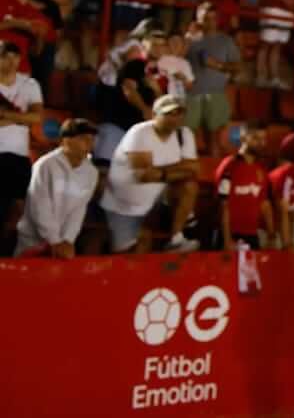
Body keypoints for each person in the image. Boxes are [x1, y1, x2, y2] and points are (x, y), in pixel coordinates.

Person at [104, 95, 202, 253]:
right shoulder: (139, 132)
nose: (175, 118)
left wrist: (161, 172)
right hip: (124, 205)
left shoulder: (184, 134)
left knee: (189, 186)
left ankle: (176, 238)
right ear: (154, 115)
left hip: (156, 201)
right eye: (169, 113)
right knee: (127, 254)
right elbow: (144, 176)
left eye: (179, 113)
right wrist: (178, 168)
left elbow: (194, 169)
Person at [15, 118, 99, 256]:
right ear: (67, 140)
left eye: (92, 139)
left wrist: (67, 239)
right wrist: (55, 241)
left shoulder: (91, 173)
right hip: (32, 239)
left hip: (63, 243)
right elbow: (40, 206)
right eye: (83, 139)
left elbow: (78, 210)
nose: (89, 144)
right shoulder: (45, 166)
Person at [0, 39, 44, 252]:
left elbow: (37, 117)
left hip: (18, 156)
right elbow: (29, 116)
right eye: (5, 57)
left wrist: (7, 115)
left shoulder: (29, 84)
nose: (10, 62)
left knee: (19, 209)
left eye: (15, 57)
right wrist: (21, 117)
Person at [184, 3, 241, 159]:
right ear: (198, 19)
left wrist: (216, 64)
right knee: (186, 137)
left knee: (214, 139)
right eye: (205, 18)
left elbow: (238, 67)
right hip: (190, 95)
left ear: (218, 20)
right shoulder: (188, 39)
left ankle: (212, 172)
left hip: (215, 94)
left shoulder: (225, 41)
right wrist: (188, 38)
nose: (208, 22)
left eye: (212, 18)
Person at [216, 130, 276, 251]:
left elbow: (265, 204)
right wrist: (227, 240)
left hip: (252, 234)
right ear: (243, 138)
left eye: (263, 139)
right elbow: (223, 203)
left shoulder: (261, 169)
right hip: (231, 234)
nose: (260, 143)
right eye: (255, 138)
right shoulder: (230, 165)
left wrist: (271, 235)